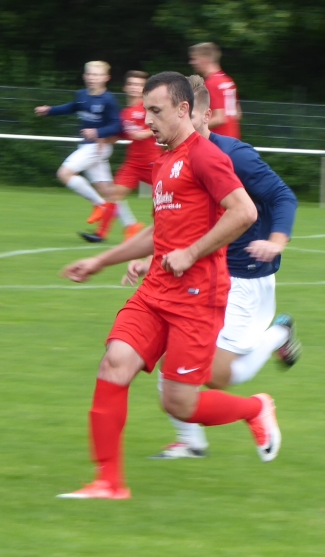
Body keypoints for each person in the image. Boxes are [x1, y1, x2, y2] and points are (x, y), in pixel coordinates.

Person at [57, 72, 279, 500]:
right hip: (156, 289)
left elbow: (245, 212)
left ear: (183, 110)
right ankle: (109, 482)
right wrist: (100, 261)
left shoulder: (206, 156)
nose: (147, 120)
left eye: (155, 111)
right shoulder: (162, 161)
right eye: (145, 110)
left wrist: (191, 253)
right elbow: (159, 230)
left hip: (198, 297)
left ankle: (255, 408)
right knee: (114, 363)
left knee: (179, 403)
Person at [123, 75, 301, 459]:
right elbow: (180, 226)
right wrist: (151, 259)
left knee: (216, 376)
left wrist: (276, 242)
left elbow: (282, 196)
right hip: (201, 276)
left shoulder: (233, 155)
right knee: (175, 363)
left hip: (242, 276)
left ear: (202, 115)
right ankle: (191, 442)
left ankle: (276, 337)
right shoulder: (175, 158)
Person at [35, 61, 137, 236]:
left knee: (64, 174)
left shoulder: (108, 100)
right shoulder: (81, 94)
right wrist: (50, 110)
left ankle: (100, 205)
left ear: (106, 78)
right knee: (108, 191)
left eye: (96, 75)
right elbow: (71, 107)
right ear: (84, 76)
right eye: (89, 74)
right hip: (88, 147)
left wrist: (98, 132)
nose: (92, 78)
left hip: (97, 147)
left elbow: (117, 126)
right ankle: (131, 225)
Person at [79, 70, 157, 243]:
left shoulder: (150, 108)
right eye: (131, 84)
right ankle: (100, 234)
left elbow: (165, 125)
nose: (134, 87)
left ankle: (164, 232)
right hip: (133, 164)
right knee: (113, 195)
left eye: (139, 85)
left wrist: (145, 133)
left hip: (152, 163)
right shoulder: (125, 113)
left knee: (166, 197)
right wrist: (103, 139)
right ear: (125, 87)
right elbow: (120, 134)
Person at [188, 42, 241, 139]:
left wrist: (190, 129)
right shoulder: (228, 81)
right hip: (233, 140)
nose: (192, 63)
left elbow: (219, 119)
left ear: (205, 59)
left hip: (218, 141)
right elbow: (238, 114)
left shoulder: (212, 83)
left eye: (194, 59)